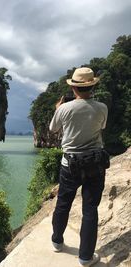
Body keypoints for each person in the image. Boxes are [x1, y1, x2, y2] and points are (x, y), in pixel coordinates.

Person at [49, 67, 109, 267]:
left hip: (70, 164)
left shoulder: (64, 109)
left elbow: (53, 128)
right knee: (90, 208)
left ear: (73, 87)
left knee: (63, 203)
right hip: (94, 163)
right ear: (92, 86)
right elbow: (101, 127)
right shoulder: (102, 107)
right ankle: (85, 257)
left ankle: (57, 242)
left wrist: (59, 109)